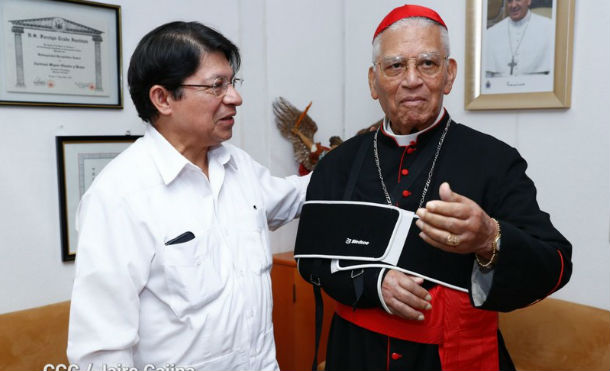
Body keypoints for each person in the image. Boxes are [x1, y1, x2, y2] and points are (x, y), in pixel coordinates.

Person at [296, 4, 571, 370]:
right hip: (357, 354)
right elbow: (311, 260)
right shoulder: (337, 164)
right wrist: (374, 283)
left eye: (428, 63)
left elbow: (555, 264)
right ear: (373, 81)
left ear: (449, 74)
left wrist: (490, 238)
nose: (412, 79)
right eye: (395, 66)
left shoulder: (495, 160)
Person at [67, 21, 309, 371]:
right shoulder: (120, 195)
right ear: (162, 98)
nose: (235, 98)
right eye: (216, 86)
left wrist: (364, 153)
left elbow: (294, 196)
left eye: (232, 83)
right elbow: (101, 352)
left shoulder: (236, 165)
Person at [485, 0, 554, 77]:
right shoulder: (491, 33)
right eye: (510, 1)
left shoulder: (549, 28)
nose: (513, 5)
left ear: (528, 1)